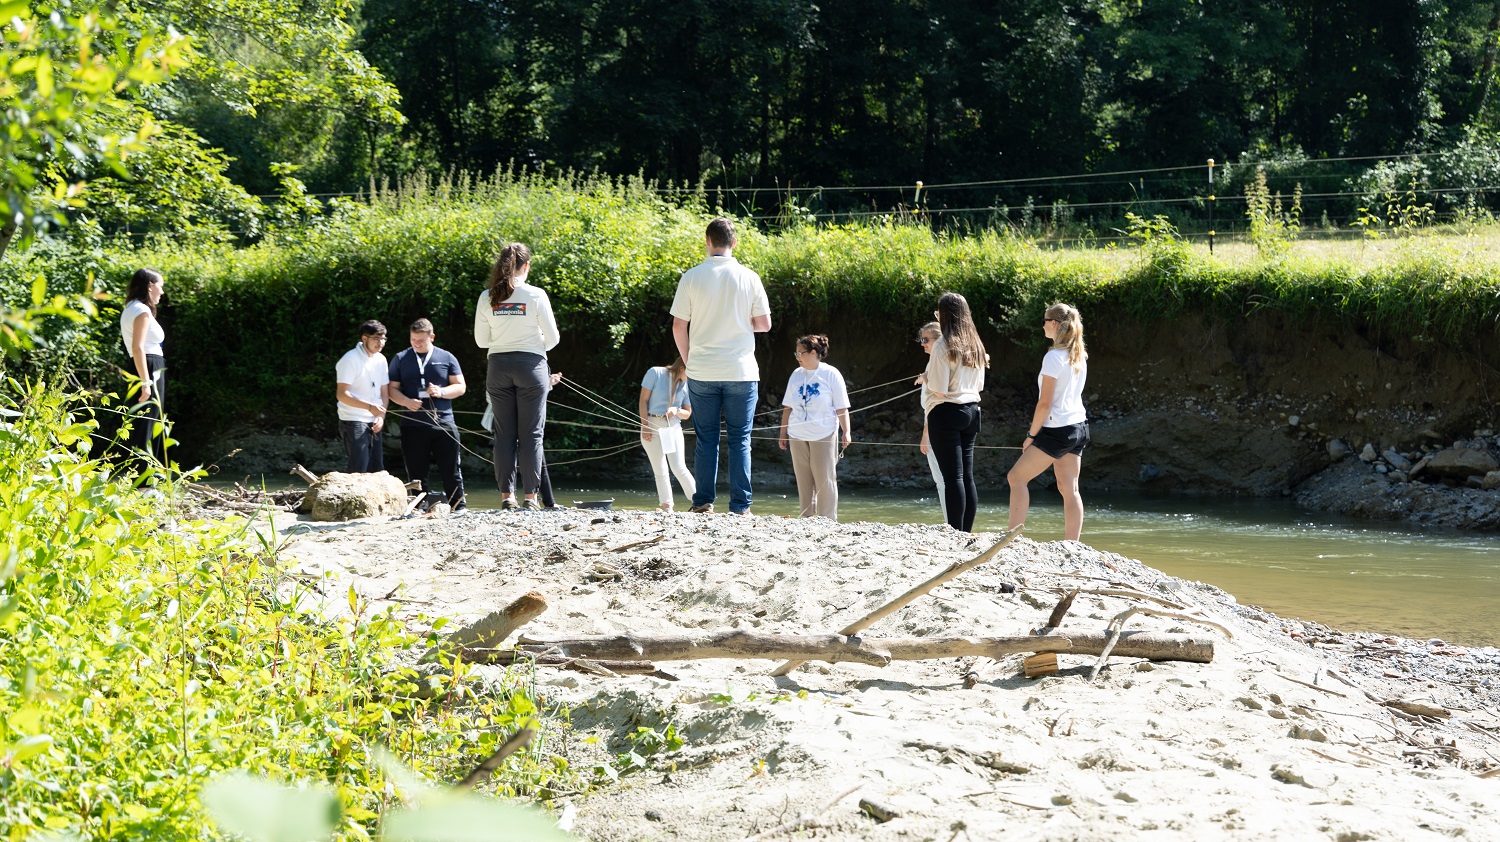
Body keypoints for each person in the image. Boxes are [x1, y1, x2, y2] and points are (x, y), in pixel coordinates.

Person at [670, 217, 771, 515]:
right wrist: (740, 321)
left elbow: (678, 326)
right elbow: (764, 324)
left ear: (707, 241)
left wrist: (689, 361)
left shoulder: (692, 276)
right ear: (734, 243)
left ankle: (703, 501)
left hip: (703, 370)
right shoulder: (749, 276)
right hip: (741, 370)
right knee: (741, 439)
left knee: (707, 438)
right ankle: (740, 506)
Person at [476, 242, 559, 510]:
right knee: (531, 434)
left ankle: (506, 496)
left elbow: (481, 341)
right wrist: (534, 346)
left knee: (503, 434)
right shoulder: (536, 295)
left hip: (498, 367)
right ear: (526, 266)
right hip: (531, 367)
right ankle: (531, 498)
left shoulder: (487, 296)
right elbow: (554, 338)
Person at [1008, 302, 1090, 541]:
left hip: (1058, 430)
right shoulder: (1078, 355)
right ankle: (1072, 544)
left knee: (1016, 477)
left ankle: (1010, 538)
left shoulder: (1053, 358)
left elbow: (1044, 403)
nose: (1042, 325)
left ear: (1053, 324)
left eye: (1044, 321)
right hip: (1079, 427)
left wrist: (1031, 436)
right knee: (1069, 488)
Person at [923, 292, 988, 532]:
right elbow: (979, 385)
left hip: (946, 412)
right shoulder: (976, 344)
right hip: (971, 411)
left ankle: (954, 533)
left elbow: (939, 391)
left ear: (944, 315)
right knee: (967, 477)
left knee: (952, 478)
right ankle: (966, 532)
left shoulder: (942, 345)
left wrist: (927, 378)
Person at [387, 318, 467, 510]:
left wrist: (442, 392)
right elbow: (391, 389)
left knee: (451, 469)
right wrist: (406, 401)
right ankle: (418, 506)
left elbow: (461, 386)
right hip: (412, 424)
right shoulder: (400, 358)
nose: (416, 343)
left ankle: (459, 507)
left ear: (432, 337)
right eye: (413, 339)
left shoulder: (446, 357)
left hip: (443, 422)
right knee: (416, 472)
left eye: (421, 340)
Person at [778, 335, 851, 520]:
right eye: (796, 353)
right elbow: (788, 407)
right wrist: (782, 433)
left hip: (824, 433)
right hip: (797, 434)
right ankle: (806, 517)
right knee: (803, 480)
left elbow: (841, 407)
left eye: (800, 353)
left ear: (813, 353)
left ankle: (827, 519)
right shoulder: (796, 374)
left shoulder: (831, 374)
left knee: (824, 479)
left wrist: (846, 432)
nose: (797, 356)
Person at [120, 267, 168, 468]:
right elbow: (137, 347)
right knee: (147, 424)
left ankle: (146, 481)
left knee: (147, 423)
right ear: (150, 286)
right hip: (147, 366)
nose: (162, 292)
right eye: (160, 286)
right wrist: (146, 382)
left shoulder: (131, 307)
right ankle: (143, 485)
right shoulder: (142, 310)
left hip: (143, 366)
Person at [638, 356, 696, 511]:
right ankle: (667, 506)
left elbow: (687, 413)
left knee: (679, 466)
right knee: (660, 469)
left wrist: (676, 411)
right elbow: (643, 400)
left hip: (673, 426)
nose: (693, 376)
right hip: (651, 422)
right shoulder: (655, 372)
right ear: (683, 368)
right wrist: (645, 426)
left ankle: (699, 502)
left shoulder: (687, 385)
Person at [335, 320, 390, 472]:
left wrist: (381, 416)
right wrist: (369, 407)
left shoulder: (381, 359)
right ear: (364, 339)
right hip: (353, 420)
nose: (381, 343)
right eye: (376, 339)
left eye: (383, 339)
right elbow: (342, 394)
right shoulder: (350, 359)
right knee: (358, 470)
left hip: (374, 420)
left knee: (376, 470)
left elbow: (384, 394)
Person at [913, 321, 947, 523]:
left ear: (938, 339)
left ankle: (950, 522)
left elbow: (935, 399)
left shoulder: (937, 361)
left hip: (937, 425)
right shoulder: (935, 361)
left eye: (926, 340)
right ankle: (952, 521)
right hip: (943, 422)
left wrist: (926, 434)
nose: (922, 344)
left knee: (942, 479)